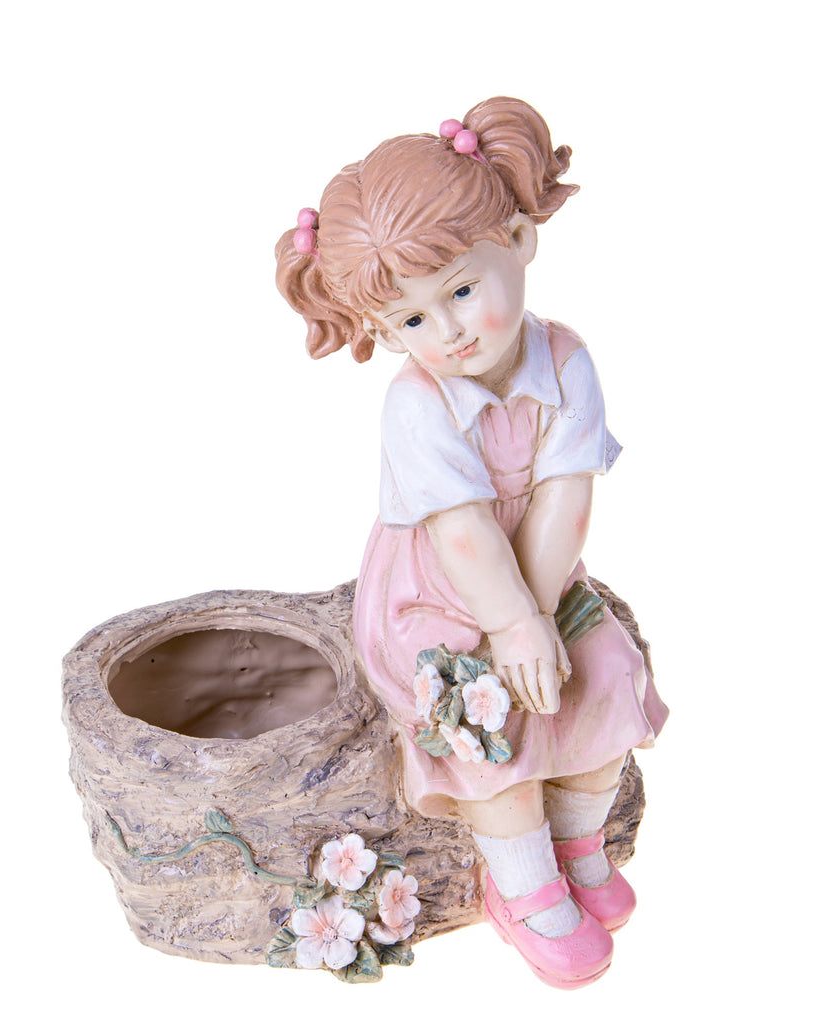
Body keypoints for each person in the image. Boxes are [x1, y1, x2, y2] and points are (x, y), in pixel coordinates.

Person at [275, 97, 668, 989]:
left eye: (459, 290)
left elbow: (565, 499)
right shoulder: (418, 403)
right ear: (385, 332)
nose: (448, 331)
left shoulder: (565, 359)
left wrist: (539, 617)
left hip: (541, 574)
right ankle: (521, 885)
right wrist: (510, 628)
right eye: (413, 320)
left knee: (605, 671)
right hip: (439, 596)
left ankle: (578, 842)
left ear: (518, 242)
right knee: (484, 716)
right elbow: (460, 534)